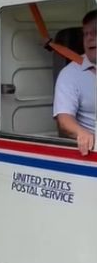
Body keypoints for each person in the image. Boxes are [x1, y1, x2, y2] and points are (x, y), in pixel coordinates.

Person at [53, 9, 97, 156]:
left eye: (95, 32)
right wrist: (81, 133)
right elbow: (64, 120)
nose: (90, 38)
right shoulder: (70, 74)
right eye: (86, 34)